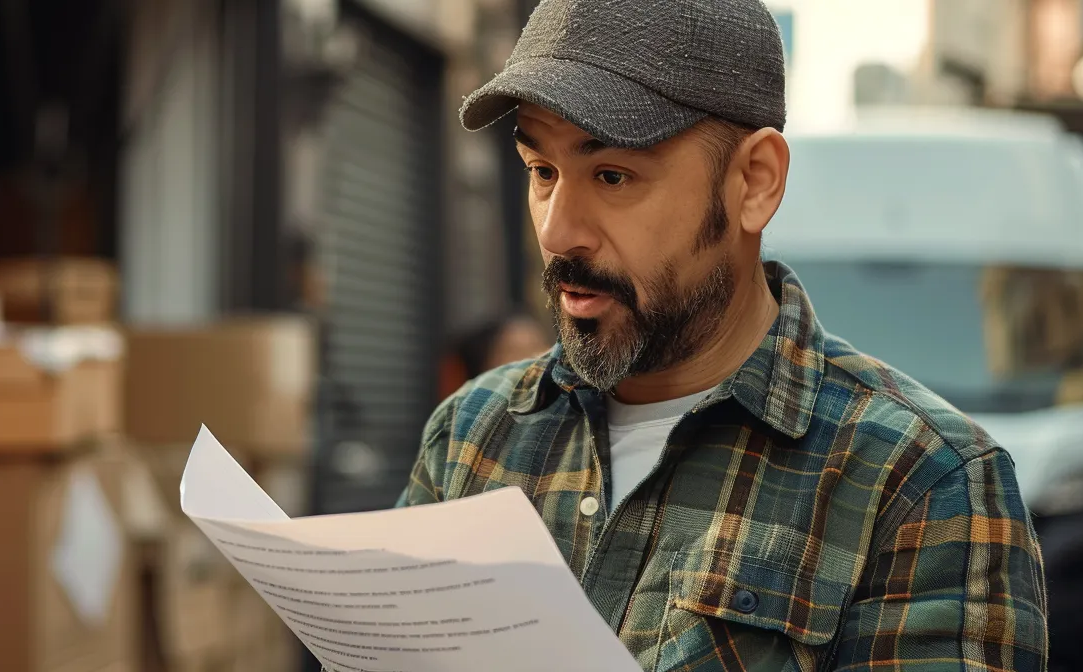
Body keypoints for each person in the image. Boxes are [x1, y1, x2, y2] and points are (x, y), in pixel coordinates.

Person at [395, 0, 1049, 669]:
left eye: (612, 175)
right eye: (542, 172)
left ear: (754, 182)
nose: (559, 233)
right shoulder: (470, 437)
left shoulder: (921, 483)